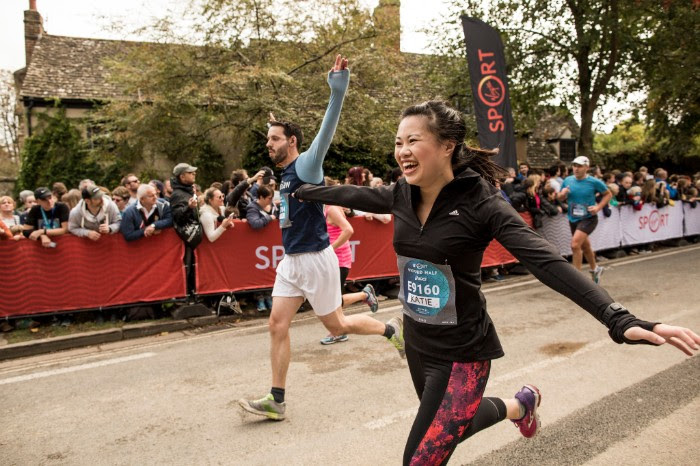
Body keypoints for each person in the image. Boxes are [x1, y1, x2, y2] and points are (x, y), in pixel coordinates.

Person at [293, 100, 700, 465]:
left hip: (463, 353)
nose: (401, 152)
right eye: (398, 142)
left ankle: (515, 405)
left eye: (412, 141)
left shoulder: (482, 204)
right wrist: (304, 191)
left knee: (422, 457)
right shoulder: (402, 193)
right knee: (454, 427)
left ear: (447, 145)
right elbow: (356, 195)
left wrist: (617, 317)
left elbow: (544, 261)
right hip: (418, 343)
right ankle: (521, 405)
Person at [238, 55, 405, 421]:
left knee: (337, 325)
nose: (269, 144)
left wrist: (338, 89)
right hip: (291, 262)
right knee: (276, 324)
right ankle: (276, 400)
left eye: (274, 138)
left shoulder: (306, 165)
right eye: (268, 138)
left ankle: (391, 329)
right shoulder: (282, 176)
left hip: (316, 258)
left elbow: (327, 130)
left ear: (292, 141)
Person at [319, 199, 380, 345]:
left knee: (331, 300)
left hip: (338, 260)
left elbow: (349, 230)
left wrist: (330, 249)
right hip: (334, 260)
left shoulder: (332, 208)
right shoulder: (328, 207)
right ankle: (364, 294)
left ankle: (337, 332)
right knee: (330, 299)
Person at [557, 156, 611, 283]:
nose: (576, 168)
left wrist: (598, 207)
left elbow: (608, 194)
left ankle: (577, 279)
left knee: (575, 245)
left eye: (579, 166)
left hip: (589, 218)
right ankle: (595, 268)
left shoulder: (594, 182)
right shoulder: (568, 180)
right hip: (573, 218)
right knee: (585, 247)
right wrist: (562, 194)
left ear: (587, 167)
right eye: (574, 165)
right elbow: (559, 198)